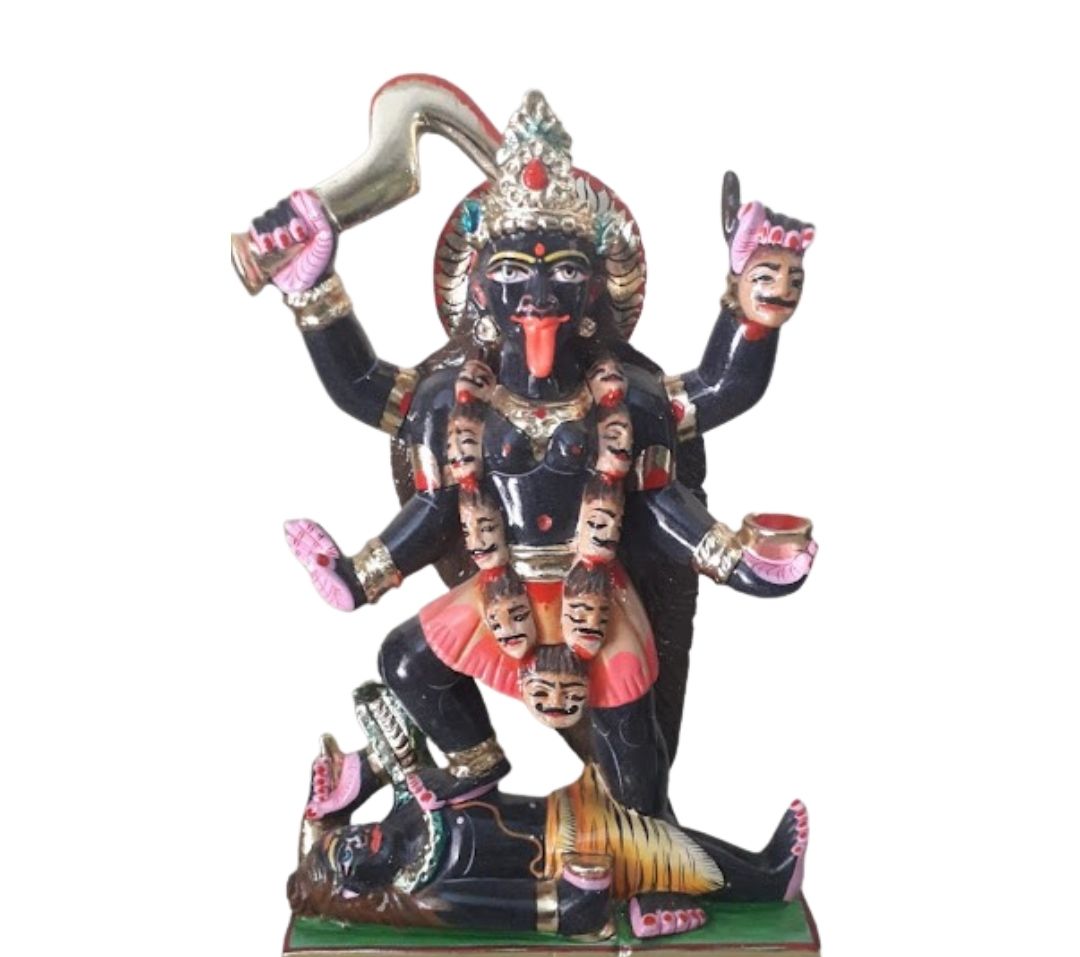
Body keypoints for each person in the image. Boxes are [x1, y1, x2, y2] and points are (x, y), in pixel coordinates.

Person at [250, 89, 816, 818]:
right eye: (514, 271)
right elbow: (383, 421)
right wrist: (314, 292)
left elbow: (698, 429)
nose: (539, 293)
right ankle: (474, 764)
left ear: (596, 295)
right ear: (478, 291)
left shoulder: (629, 401)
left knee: (637, 788)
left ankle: (649, 838)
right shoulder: (451, 401)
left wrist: (754, 307)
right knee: (406, 663)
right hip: (500, 596)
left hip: (599, 607)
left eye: (567, 274)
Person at [289, 684, 809, 940]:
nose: (352, 842)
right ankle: (768, 879)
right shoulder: (431, 891)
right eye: (344, 859)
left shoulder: (406, 810)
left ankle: (698, 887)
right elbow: (539, 910)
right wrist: (579, 894)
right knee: (667, 848)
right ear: (357, 889)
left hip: (571, 803)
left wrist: (332, 802)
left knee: (647, 795)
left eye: (342, 838)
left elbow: (393, 721)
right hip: (575, 850)